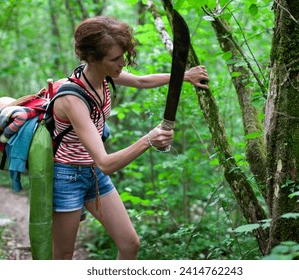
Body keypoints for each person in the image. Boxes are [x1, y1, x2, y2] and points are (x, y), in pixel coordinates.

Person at [51, 15, 209, 260]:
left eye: (123, 55)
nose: (122, 63)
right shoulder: (72, 98)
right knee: (62, 256)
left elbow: (141, 80)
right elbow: (106, 162)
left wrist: (183, 76)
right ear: (92, 58)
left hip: (93, 174)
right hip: (67, 176)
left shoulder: (102, 75)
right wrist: (149, 139)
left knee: (130, 244)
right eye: (115, 58)